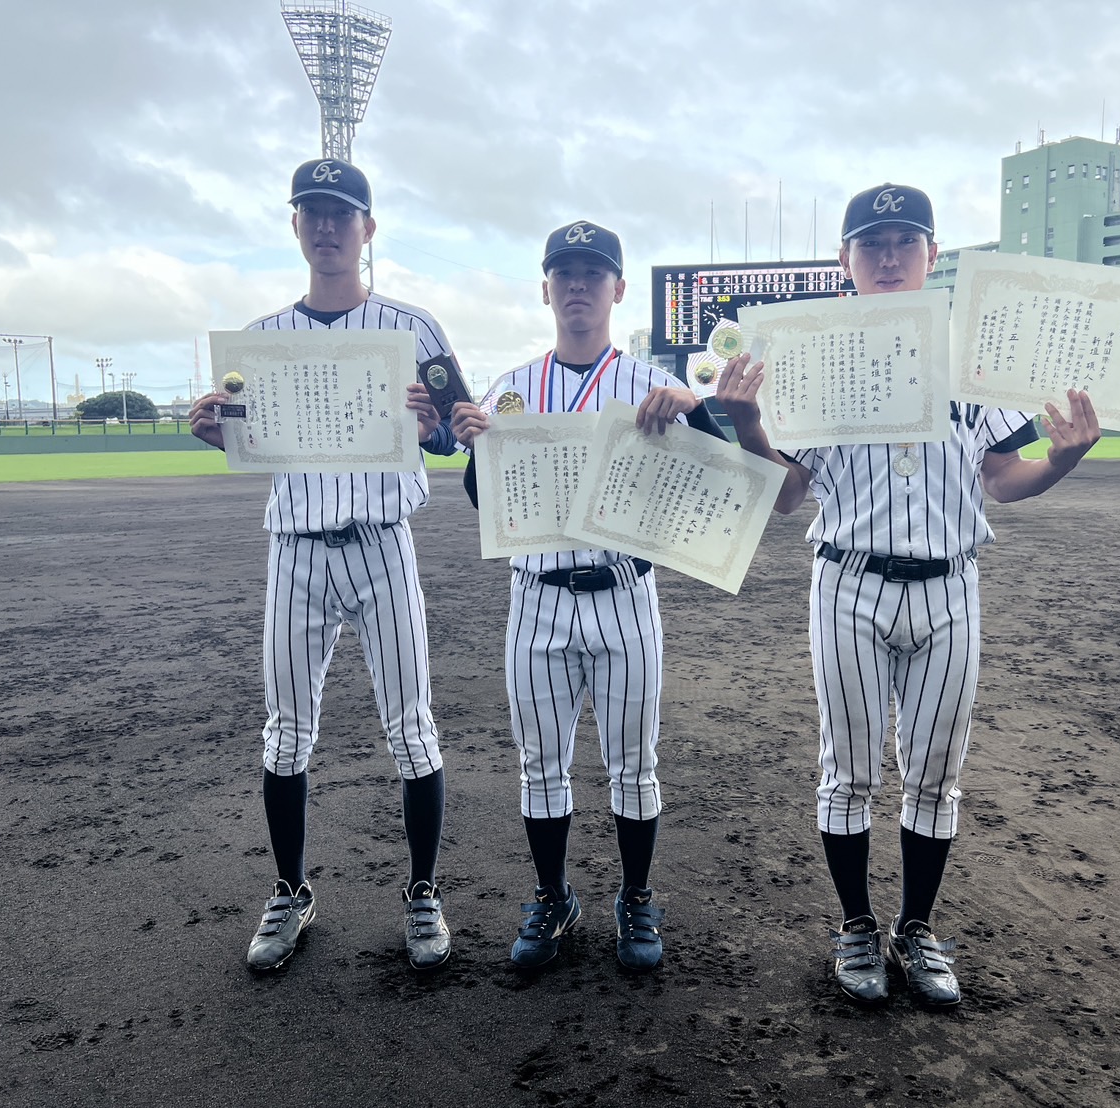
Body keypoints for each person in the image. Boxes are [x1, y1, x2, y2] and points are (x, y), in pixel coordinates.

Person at [716, 183, 1101, 1008]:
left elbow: (1000, 478)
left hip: (950, 588)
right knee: (847, 772)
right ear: (843, 263)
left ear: (932, 255)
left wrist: (1063, 459)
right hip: (847, 584)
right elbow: (786, 497)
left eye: (903, 241)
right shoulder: (809, 358)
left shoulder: (974, 360)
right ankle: (855, 925)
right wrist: (750, 428)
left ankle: (915, 928)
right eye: (870, 243)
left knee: (934, 774)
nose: (887, 256)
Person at [189, 157, 460, 973]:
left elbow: (456, 433)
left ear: (368, 229)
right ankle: (289, 890)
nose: (328, 225)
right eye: (313, 211)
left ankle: (421, 891)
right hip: (297, 550)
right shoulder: (259, 343)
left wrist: (432, 423)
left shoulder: (414, 328)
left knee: (411, 729)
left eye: (342, 212)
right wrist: (213, 430)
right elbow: (242, 437)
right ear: (296, 225)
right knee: (285, 732)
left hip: (383, 544)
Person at [449, 220, 724, 972]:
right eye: (563, 272)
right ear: (545, 288)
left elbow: (720, 479)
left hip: (625, 595)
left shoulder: (650, 384)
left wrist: (694, 414)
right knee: (540, 764)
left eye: (591, 273)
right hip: (536, 597)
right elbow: (488, 502)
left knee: (634, 764)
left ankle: (634, 897)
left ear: (617, 290)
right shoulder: (509, 387)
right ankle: (552, 896)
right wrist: (478, 449)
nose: (577, 285)